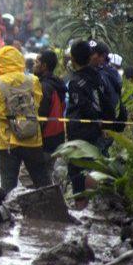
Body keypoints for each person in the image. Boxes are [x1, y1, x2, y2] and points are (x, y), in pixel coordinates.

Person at [0, 46, 51, 194]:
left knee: (8, 185)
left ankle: (9, 215)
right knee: (42, 181)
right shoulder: (33, 80)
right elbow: (38, 100)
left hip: (8, 142)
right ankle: (52, 212)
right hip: (32, 139)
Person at [66, 41, 115, 208]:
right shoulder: (99, 76)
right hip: (99, 130)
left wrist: (95, 121)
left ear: (73, 58)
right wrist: (104, 125)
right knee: (95, 164)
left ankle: (81, 206)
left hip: (81, 132)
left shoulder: (76, 81)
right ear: (89, 57)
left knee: (76, 169)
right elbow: (108, 101)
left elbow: (83, 106)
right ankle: (94, 205)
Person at [33, 50, 66, 177]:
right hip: (57, 138)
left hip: (44, 140)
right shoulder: (57, 83)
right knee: (46, 176)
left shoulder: (44, 86)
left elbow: (41, 116)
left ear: (44, 66)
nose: (34, 65)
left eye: (37, 62)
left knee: (28, 177)